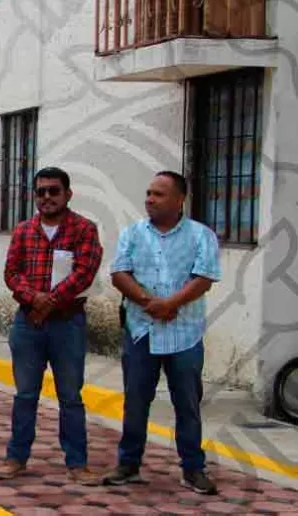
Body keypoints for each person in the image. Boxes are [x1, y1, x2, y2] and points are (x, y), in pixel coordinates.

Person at [103, 172, 220, 495]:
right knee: (136, 401)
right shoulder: (133, 233)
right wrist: (147, 302)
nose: (150, 199)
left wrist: (171, 303)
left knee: (187, 404)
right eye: (148, 193)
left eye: (158, 194)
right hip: (141, 330)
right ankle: (128, 464)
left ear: (179, 200)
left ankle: (193, 469)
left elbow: (205, 277)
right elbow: (119, 272)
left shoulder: (201, 235)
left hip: (184, 334)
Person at [0, 166, 103, 485]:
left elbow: (84, 272)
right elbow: (12, 273)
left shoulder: (84, 229)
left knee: (70, 396)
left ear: (67, 194)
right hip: (28, 323)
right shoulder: (24, 230)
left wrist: (50, 301)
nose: (47, 197)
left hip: (67, 324)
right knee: (25, 394)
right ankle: (16, 458)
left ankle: (77, 464)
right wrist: (35, 300)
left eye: (54, 191)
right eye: (41, 191)